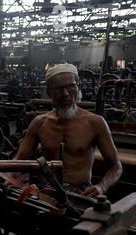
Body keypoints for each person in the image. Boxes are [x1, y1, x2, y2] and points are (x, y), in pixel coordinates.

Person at [14, 63, 122, 197]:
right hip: (47, 193)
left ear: (78, 87)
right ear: (49, 92)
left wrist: (101, 187)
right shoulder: (39, 123)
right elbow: (18, 161)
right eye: (58, 89)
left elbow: (116, 167)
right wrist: (6, 177)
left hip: (81, 194)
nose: (65, 94)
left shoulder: (95, 123)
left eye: (70, 87)